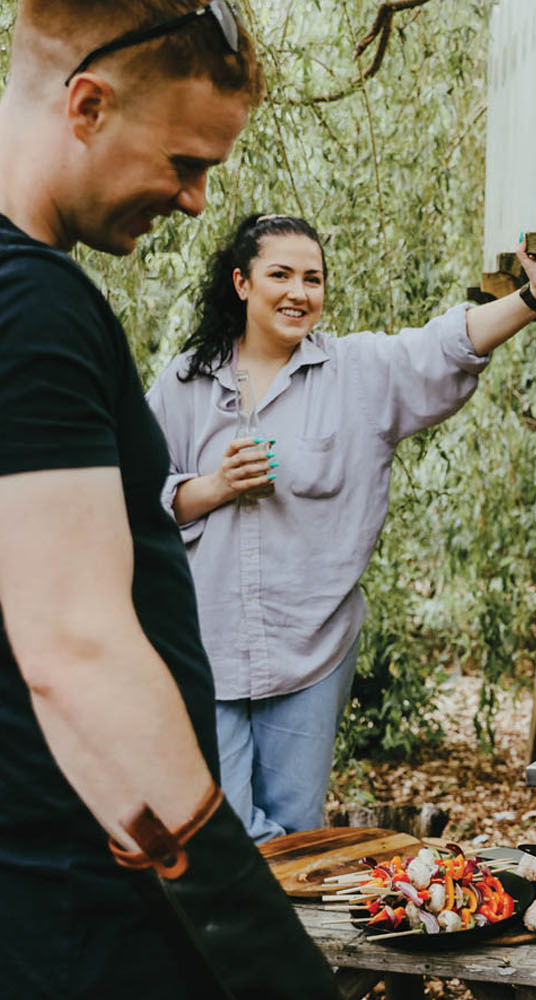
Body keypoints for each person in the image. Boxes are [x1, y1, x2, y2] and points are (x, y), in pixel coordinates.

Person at [0, 2, 339, 997]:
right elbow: (76, 648)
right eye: (186, 162)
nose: (196, 201)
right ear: (89, 106)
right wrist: (261, 952)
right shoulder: (33, 309)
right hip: (72, 907)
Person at [146, 212, 536, 842]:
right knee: (216, 830)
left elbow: (446, 344)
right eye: (279, 274)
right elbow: (138, 498)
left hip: (310, 643)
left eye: (313, 278)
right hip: (207, 640)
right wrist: (216, 486)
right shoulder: (182, 384)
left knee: (293, 833)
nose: (299, 292)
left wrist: (532, 299)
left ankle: (272, 941)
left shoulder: (356, 374)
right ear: (241, 283)